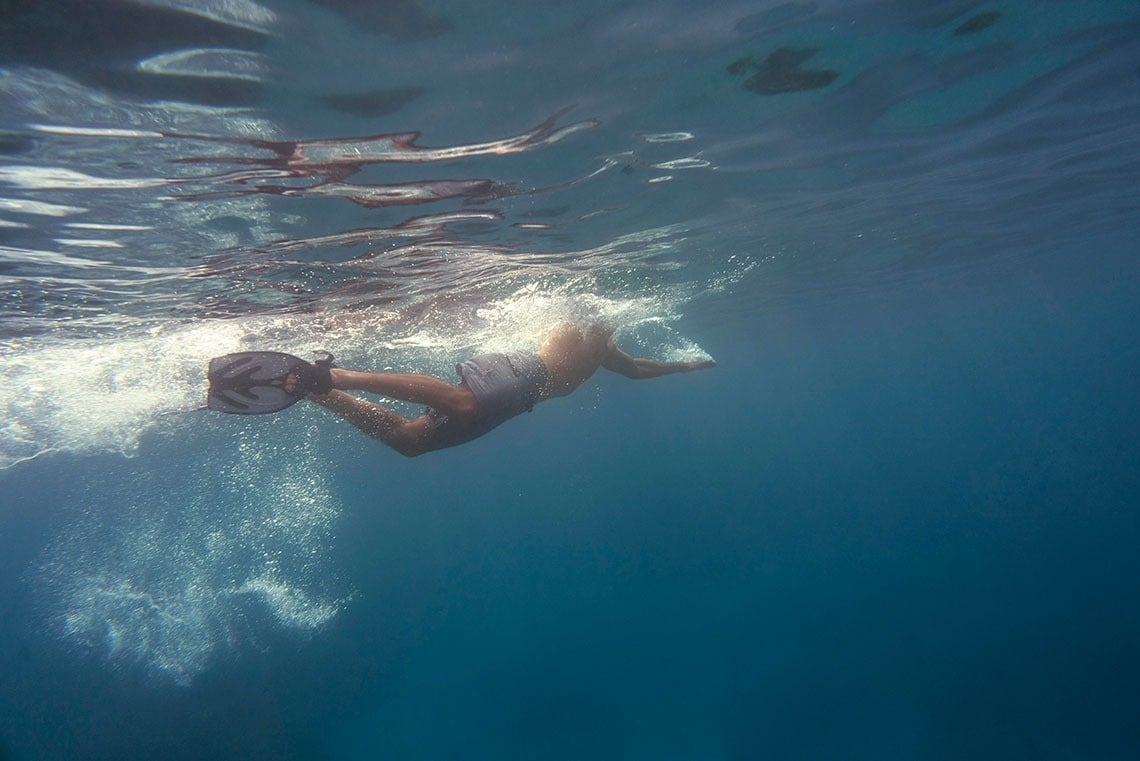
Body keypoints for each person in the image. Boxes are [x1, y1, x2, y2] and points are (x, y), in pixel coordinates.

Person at [297, 322, 714, 456]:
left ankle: (317, 391)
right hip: (519, 373)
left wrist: (683, 366)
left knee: (410, 442)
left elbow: (638, 369)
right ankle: (338, 376)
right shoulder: (575, 326)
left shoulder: (606, 350)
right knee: (460, 404)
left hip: (521, 398)